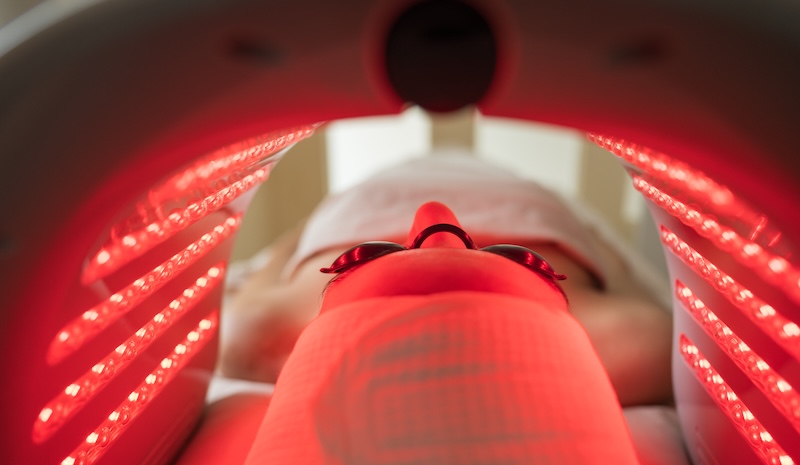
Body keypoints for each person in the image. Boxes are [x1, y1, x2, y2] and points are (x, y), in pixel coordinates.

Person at [219, 150, 673, 407]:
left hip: (365, 220)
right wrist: (599, 244)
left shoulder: (265, 338)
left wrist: (297, 241)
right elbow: (630, 286)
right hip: (506, 214)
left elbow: (256, 304)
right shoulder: (626, 350)